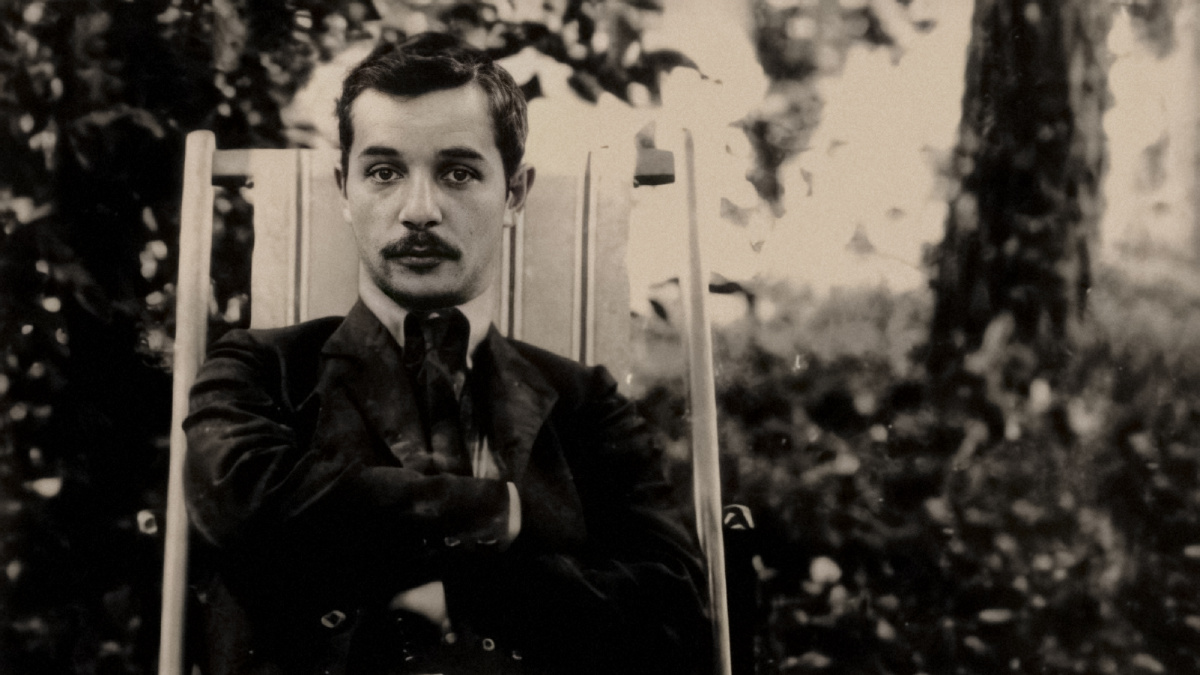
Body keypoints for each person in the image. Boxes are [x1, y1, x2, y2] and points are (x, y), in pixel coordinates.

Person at [183, 33, 710, 675]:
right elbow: (240, 504)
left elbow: (676, 610)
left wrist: (462, 593)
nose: (419, 211)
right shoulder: (260, 370)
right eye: (384, 172)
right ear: (344, 190)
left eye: (458, 173)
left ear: (514, 194)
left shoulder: (584, 404)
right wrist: (500, 515)